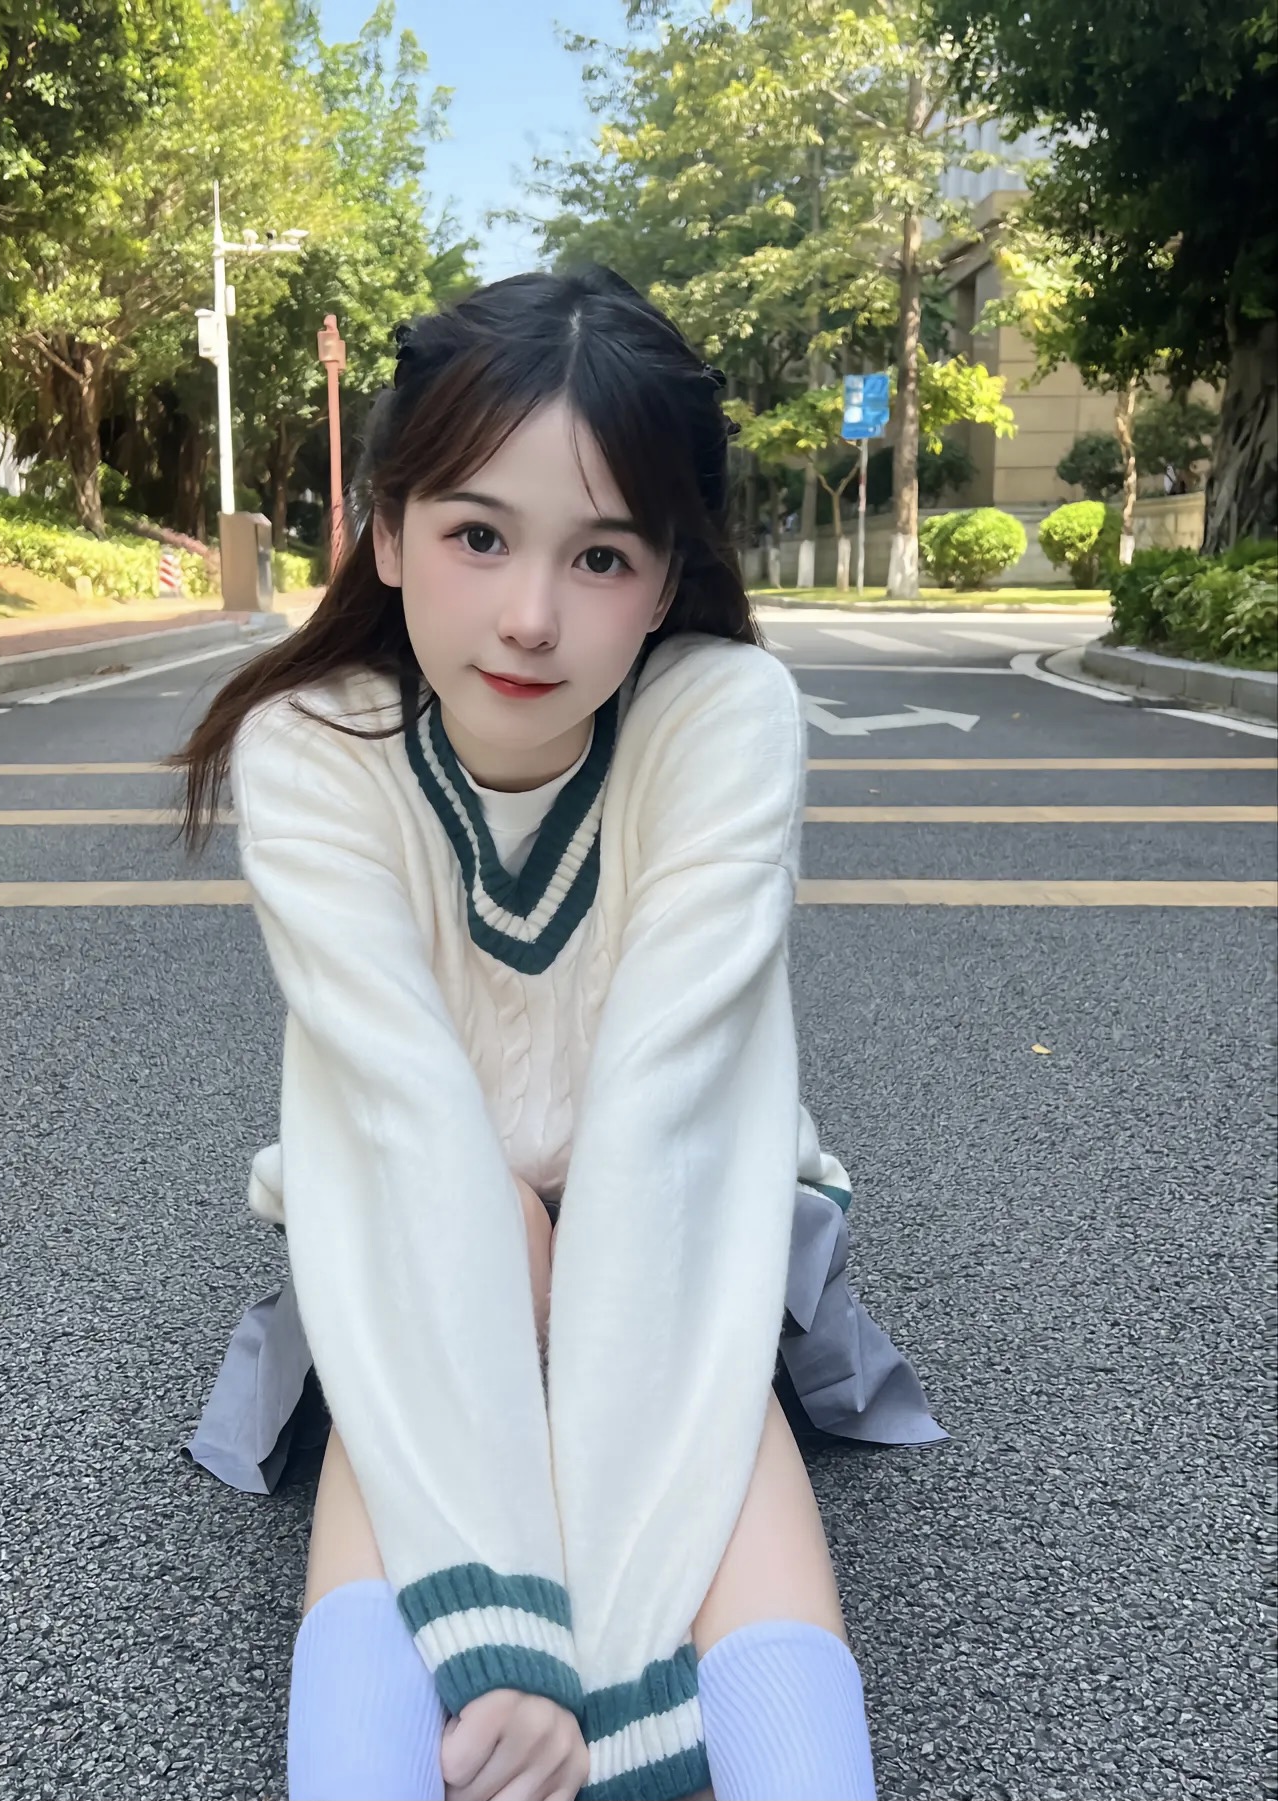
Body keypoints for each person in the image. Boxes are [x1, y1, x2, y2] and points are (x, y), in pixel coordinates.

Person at [175, 266, 944, 1801]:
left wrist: (603, 1651)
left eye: (598, 554)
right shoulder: (314, 747)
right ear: (385, 530)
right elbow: (404, 1124)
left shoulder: (718, 714)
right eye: (476, 534)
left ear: (663, 583)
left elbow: (666, 1119)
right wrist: (502, 1632)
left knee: (679, 1372)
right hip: (414, 1199)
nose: (529, 616)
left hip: (680, 1197)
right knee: (476, 1250)